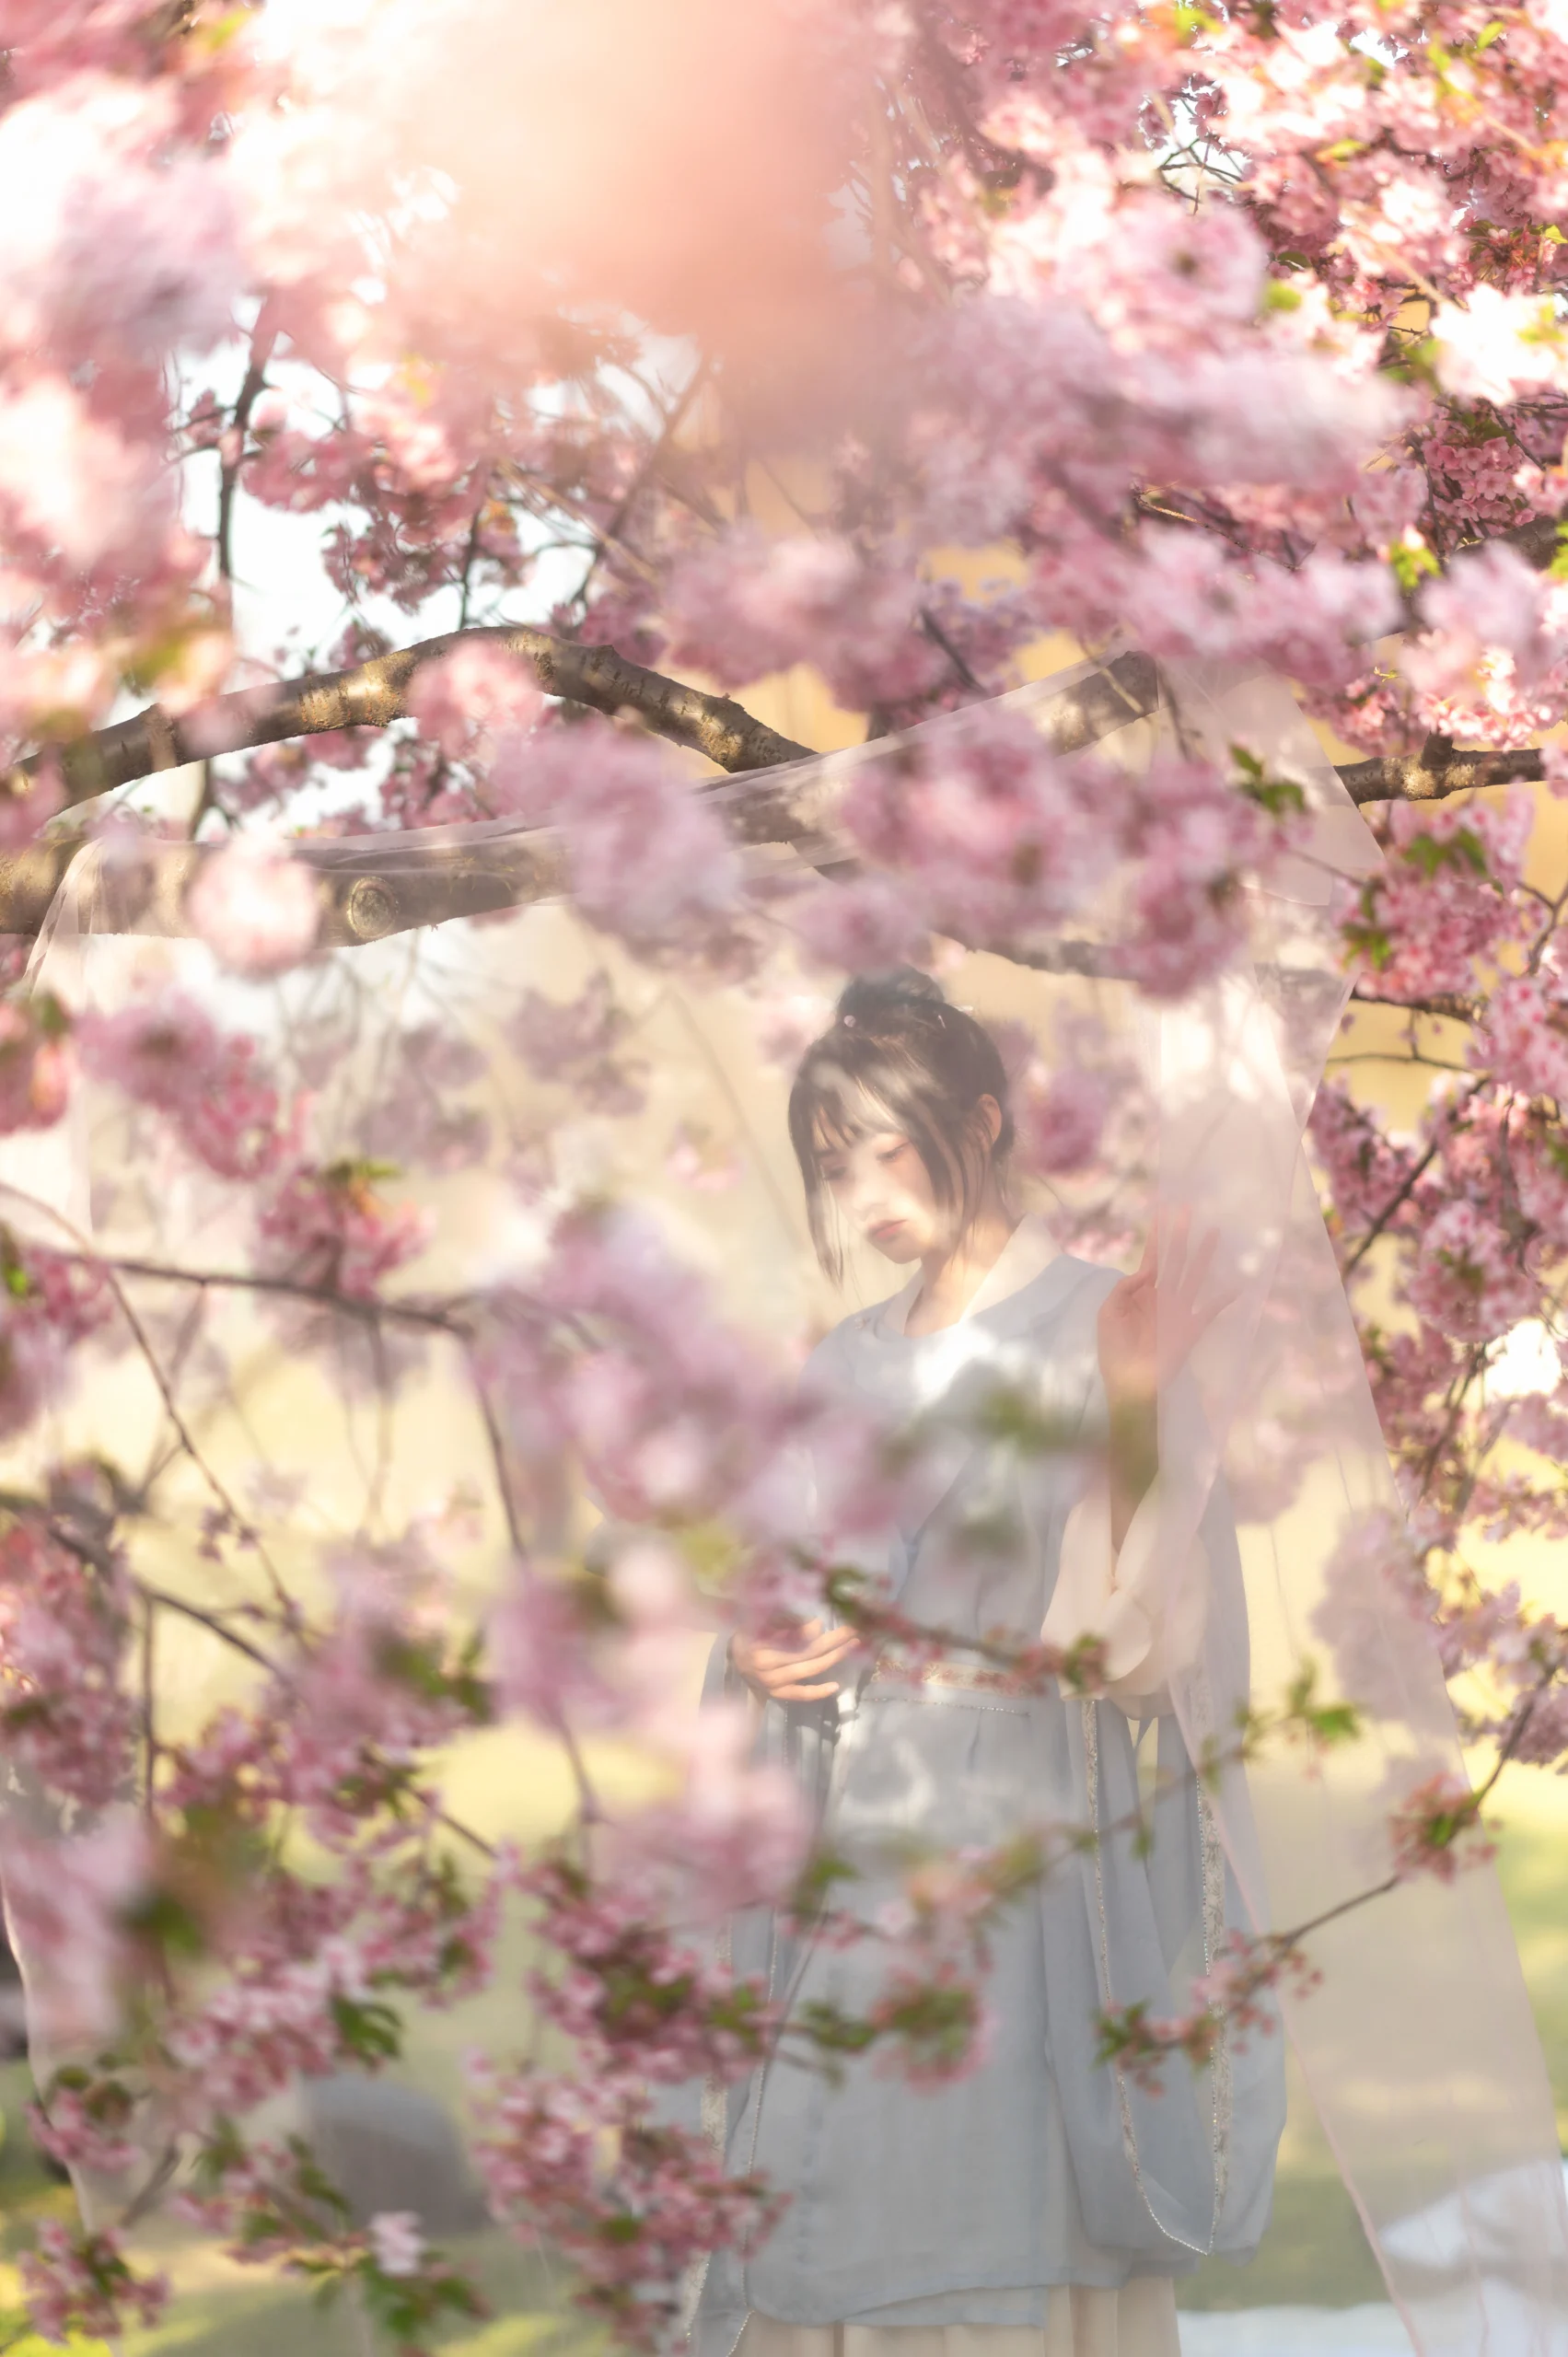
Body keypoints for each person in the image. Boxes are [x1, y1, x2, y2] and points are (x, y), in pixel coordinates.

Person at [690, 969, 1285, 2357]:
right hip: (862, 1848)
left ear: (982, 1118)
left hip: (1023, 1858)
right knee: (825, 2210)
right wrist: (759, 1640)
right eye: (834, 1165)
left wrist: (1134, 1407)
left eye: (886, 1149)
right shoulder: (837, 1368)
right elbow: (785, 1590)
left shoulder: (1100, 1321)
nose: (863, 1193)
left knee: (994, 2220)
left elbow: (1145, 1651)